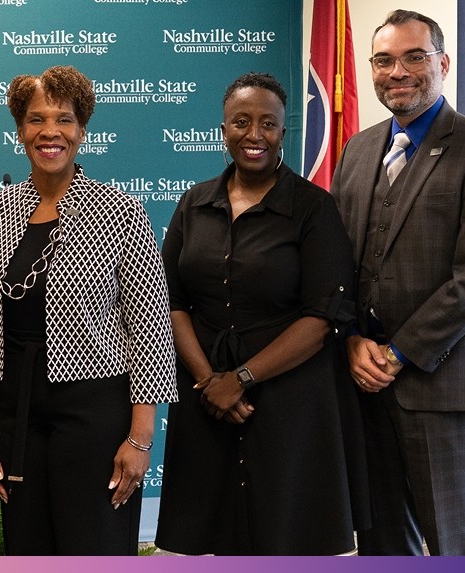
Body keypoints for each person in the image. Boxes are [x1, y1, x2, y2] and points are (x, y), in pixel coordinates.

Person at [0, 65, 176, 555]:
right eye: (36, 119)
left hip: (94, 408)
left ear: (82, 130)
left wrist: (141, 439)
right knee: (28, 545)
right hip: (15, 406)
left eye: (64, 119)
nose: (50, 132)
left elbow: (150, 330)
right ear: (20, 130)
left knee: (92, 544)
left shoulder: (119, 210)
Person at [330, 10, 465, 556]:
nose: (399, 71)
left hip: (446, 386)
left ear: (443, 62)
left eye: (415, 57)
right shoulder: (359, 149)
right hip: (362, 386)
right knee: (385, 544)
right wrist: (351, 342)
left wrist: (397, 355)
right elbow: (339, 265)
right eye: (384, 60)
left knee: (454, 547)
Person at [154, 72, 368, 555]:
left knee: (287, 534)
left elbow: (322, 318)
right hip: (204, 395)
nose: (254, 134)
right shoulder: (193, 204)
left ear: (282, 133)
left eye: (268, 123)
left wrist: (242, 378)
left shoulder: (314, 208)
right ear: (223, 129)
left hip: (290, 397)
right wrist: (211, 380)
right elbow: (172, 302)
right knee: (207, 534)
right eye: (241, 122)